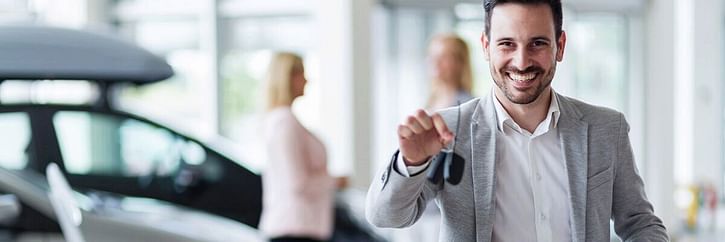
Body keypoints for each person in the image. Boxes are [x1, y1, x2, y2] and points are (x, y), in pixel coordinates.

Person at [365, 0, 669, 241]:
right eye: (507, 44)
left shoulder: (606, 128)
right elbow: (386, 217)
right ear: (485, 46)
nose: (522, 61)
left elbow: (640, 223)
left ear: (560, 46)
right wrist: (411, 163)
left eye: (537, 43)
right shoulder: (449, 130)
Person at [259, 52, 334, 242]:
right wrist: (334, 181)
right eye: (301, 73)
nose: (307, 80)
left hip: (297, 229)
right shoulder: (284, 122)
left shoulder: (281, 120)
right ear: (288, 77)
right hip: (294, 230)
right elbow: (297, 183)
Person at [426, 33, 475, 110]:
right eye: (433, 56)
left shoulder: (469, 105)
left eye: (444, 56)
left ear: (460, 63)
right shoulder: (431, 101)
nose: (436, 62)